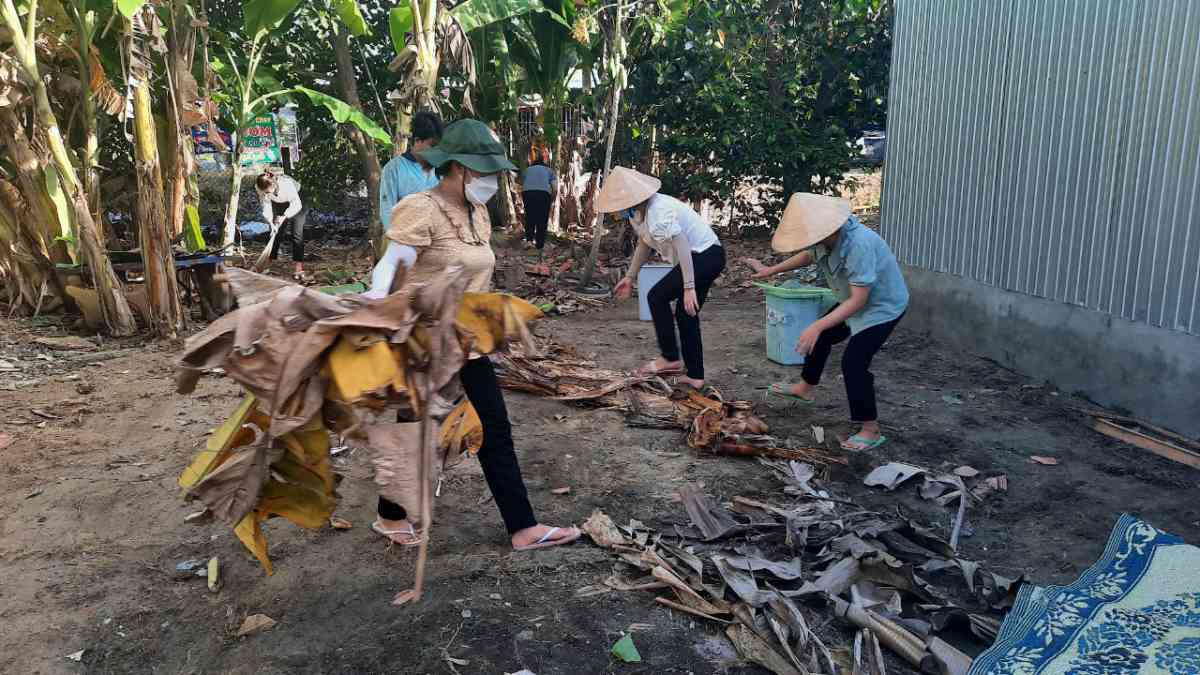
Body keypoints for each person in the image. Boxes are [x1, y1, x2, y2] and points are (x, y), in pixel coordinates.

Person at [363, 119, 581, 552]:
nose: (492, 182)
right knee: (414, 429)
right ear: (459, 167)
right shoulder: (421, 208)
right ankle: (390, 515)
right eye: (485, 173)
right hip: (425, 340)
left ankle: (523, 528)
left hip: (467, 339)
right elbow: (391, 266)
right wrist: (372, 300)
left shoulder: (475, 210)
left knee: (493, 426)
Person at [744, 193, 909, 452]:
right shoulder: (826, 238)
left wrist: (818, 325)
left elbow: (858, 301)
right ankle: (805, 387)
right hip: (852, 297)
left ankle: (870, 429)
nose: (811, 243)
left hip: (881, 306)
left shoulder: (859, 244)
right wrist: (770, 270)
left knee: (853, 361)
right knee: (821, 334)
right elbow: (809, 256)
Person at [599, 167, 726, 390]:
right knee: (686, 313)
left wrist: (688, 287)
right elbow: (645, 243)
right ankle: (696, 375)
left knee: (656, 296)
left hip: (705, 255)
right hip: (705, 256)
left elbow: (683, 245)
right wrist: (630, 276)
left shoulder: (659, 209)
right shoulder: (638, 214)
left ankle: (669, 357)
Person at [379, 111, 444, 221]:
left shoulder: (440, 168)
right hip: (403, 235)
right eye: (432, 146)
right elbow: (387, 211)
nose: (436, 151)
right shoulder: (394, 169)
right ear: (417, 140)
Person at [255, 171, 307, 281]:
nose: (266, 194)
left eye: (268, 191)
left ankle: (298, 266)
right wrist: (271, 223)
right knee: (275, 232)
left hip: (296, 200)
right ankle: (269, 260)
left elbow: (296, 204)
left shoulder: (286, 184)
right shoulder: (260, 188)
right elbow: (266, 204)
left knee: (297, 233)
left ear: (274, 184)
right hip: (278, 202)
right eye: (265, 192)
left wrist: (284, 216)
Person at [521, 156, 557, 251]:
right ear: (544, 164)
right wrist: (552, 200)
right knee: (542, 218)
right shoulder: (549, 170)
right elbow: (555, 188)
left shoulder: (527, 170)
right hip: (543, 194)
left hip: (528, 193)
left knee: (530, 216)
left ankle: (529, 241)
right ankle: (540, 244)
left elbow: (523, 183)